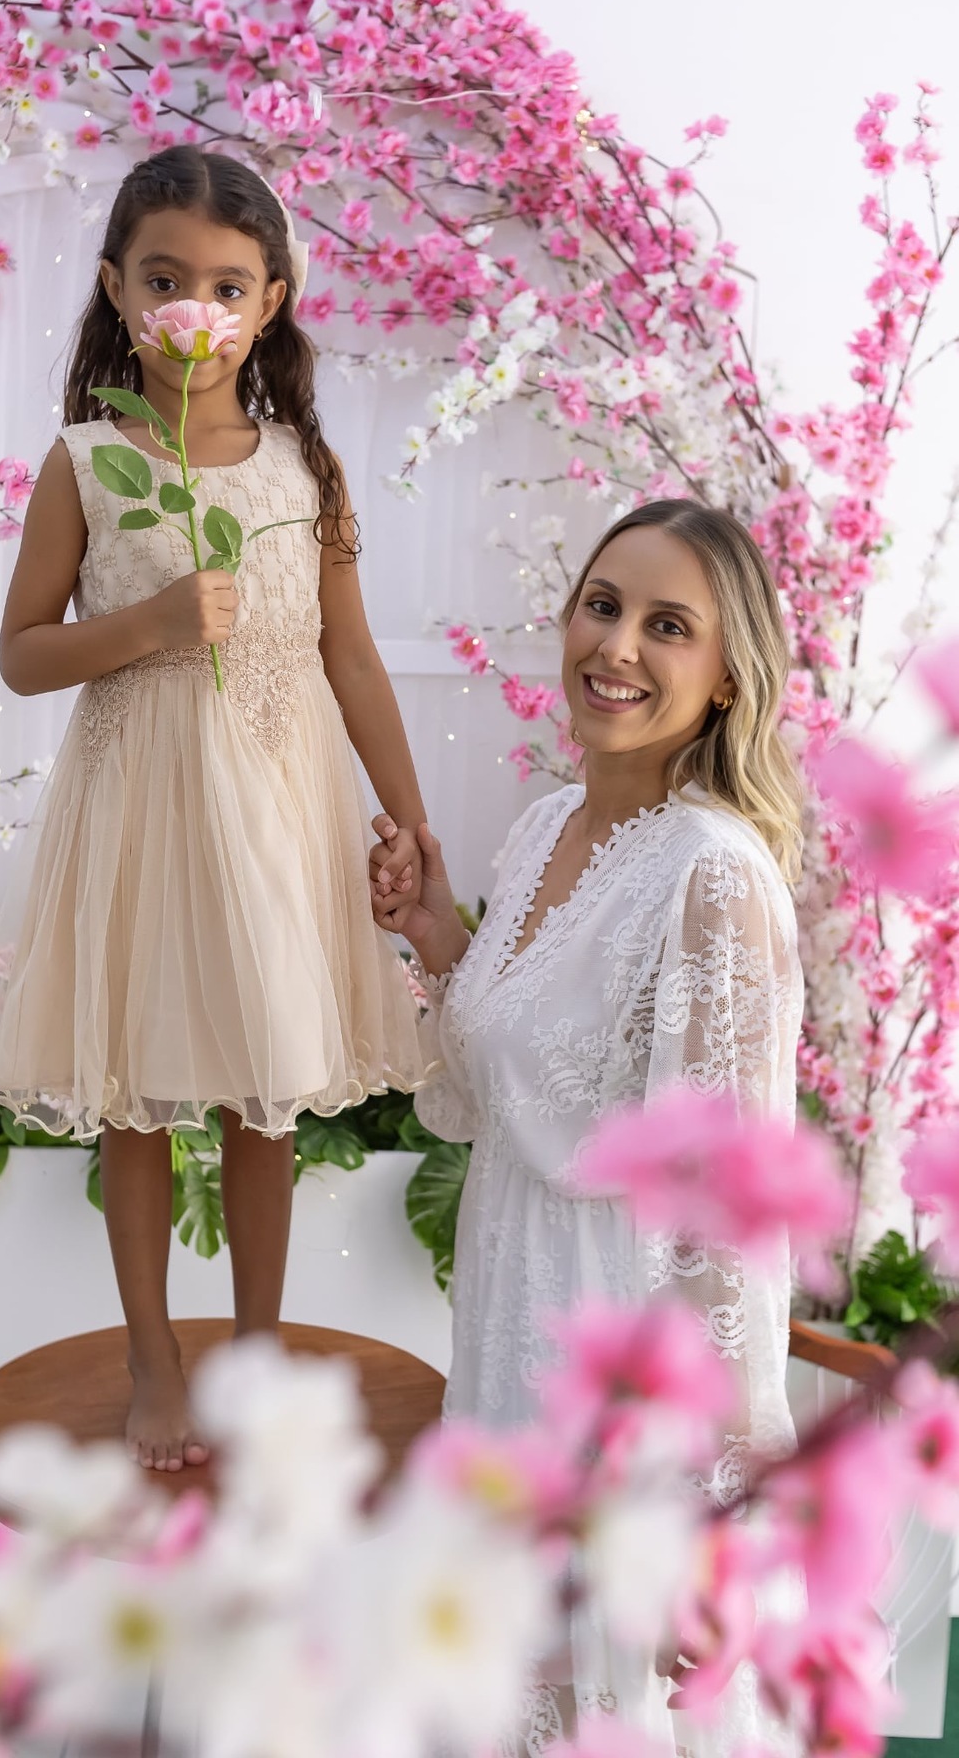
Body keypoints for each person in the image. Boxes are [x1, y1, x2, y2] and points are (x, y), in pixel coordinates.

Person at [0, 147, 429, 1472]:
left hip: (276, 809)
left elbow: (351, 656)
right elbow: (21, 653)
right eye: (166, 281)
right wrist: (153, 624)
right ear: (118, 289)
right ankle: (154, 1353)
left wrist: (408, 818)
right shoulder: (87, 464)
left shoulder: (306, 470)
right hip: (145, 812)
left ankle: (260, 1351)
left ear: (271, 302)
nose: (196, 313)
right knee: (138, 1092)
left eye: (228, 287)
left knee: (265, 1095)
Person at [370, 498, 804, 1754]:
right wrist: (437, 934)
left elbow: (729, 1230)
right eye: (603, 607)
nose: (617, 647)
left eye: (669, 626)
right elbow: (512, 1090)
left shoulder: (713, 875)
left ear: (728, 678)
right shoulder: (549, 826)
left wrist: (714, 1528)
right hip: (510, 1340)